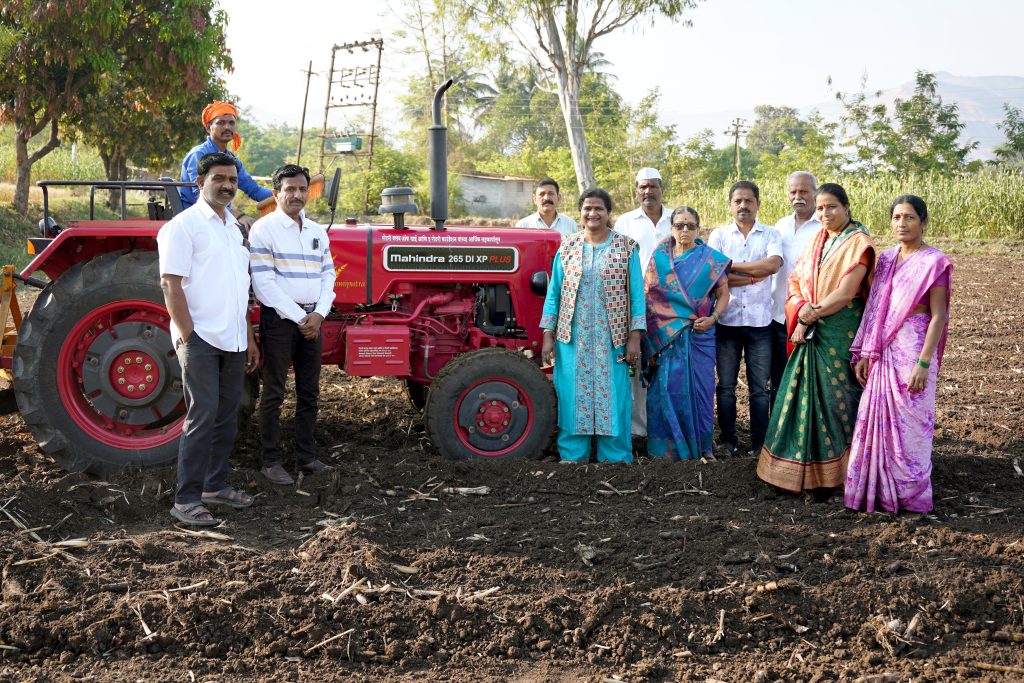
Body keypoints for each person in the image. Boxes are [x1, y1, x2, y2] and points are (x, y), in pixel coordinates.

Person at [158, 152, 260, 527]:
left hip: (232, 338)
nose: (228, 185)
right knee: (201, 416)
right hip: (201, 336)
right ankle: (186, 499)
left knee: (226, 416)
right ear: (200, 183)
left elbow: (239, 289)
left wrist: (248, 336)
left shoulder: (233, 228)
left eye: (232, 179)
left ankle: (214, 486)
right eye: (219, 178)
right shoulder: (183, 226)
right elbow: (170, 283)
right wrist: (189, 336)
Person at [757, 182, 875, 493]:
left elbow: (847, 292)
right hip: (809, 332)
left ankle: (840, 477)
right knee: (801, 400)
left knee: (837, 402)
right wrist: (802, 311)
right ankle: (797, 473)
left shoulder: (858, 243)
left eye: (831, 206)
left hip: (838, 335)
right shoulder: (817, 240)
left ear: (847, 207)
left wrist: (811, 314)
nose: (825, 213)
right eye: (820, 208)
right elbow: (795, 281)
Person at [845, 195, 952, 514]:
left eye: (909, 218)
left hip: (915, 347)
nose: (902, 224)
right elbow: (876, 308)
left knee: (911, 424)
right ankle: (877, 492)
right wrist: (866, 352)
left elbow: (938, 316)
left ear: (923, 222)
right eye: (896, 217)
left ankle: (910, 495)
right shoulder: (887, 259)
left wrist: (923, 362)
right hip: (884, 352)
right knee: (875, 420)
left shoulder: (934, 262)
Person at [540, 188, 645, 463]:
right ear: (580, 212)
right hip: (573, 338)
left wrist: (635, 337)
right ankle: (573, 455)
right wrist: (548, 334)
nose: (592, 213)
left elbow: (636, 296)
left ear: (609, 213)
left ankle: (616, 456)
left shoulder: (627, 247)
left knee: (615, 395)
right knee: (573, 394)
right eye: (587, 208)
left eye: (599, 208)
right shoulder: (568, 248)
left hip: (614, 339)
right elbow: (555, 292)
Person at [249, 165, 336, 486]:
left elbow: (329, 274)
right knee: (273, 391)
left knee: (309, 392)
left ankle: (306, 457)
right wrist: (302, 319)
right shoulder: (264, 229)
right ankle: (271, 461)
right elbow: (264, 284)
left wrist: (319, 314)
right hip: (281, 322)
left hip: (313, 320)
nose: (298, 195)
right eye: (291, 189)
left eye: (302, 189)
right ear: (276, 194)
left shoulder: (316, 231)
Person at [644, 206, 731, 461]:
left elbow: (724, 294)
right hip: (666, 339)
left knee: (702, 394)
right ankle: (666, 451)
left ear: (698, 228)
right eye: (680, 225)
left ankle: (703, 448)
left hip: (700, 336)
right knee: (667, 390)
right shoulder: (660, 257)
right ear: (671, 229)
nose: (685, 230)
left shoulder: (710, 260)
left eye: (690, 225)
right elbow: (650, 296)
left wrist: (714, 318)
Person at [707, 181, 783, 457]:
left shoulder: (770, 234)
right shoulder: (718, 235)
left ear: (758, 204)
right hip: (726, 323)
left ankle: (758, 444)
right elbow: (714, 273)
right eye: (738, 200)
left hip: (760, 324)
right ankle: (728, 441)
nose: (743, 205)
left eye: (749, 200)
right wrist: (754, 275)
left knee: (759, 389)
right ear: (730, 205)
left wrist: (731, 266)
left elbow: (773, 265)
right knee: (725, 387)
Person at [613, 167, 673, 444]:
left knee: (667, 364)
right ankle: (638, 429)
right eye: (642, 187)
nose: (648, 191)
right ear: (636, 191)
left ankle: (664, 424)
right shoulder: (625, 222)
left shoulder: (676, 219)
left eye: (653, 186)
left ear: (662, 188)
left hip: (671, 306)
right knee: (635, 364)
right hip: (634, 303)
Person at [179, 101, 272, 229]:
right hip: (197, 218)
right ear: (208, 127)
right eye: (221, 123)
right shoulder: (199, 154)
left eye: (231, 123)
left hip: (222, 215)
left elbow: (255, 191)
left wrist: (283, 193)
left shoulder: (232, 160)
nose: (227, 127)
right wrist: (238, 216)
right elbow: (203, 196)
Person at [770, 171, 821, 408]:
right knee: (778, 378)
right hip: (778, 314)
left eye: (803, 191)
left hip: (809, 317)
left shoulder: (824, 228)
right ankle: (777, 434)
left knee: (806, 379)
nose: (798, 196)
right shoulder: (780, 226)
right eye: (793, 192)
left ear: (815, 194)